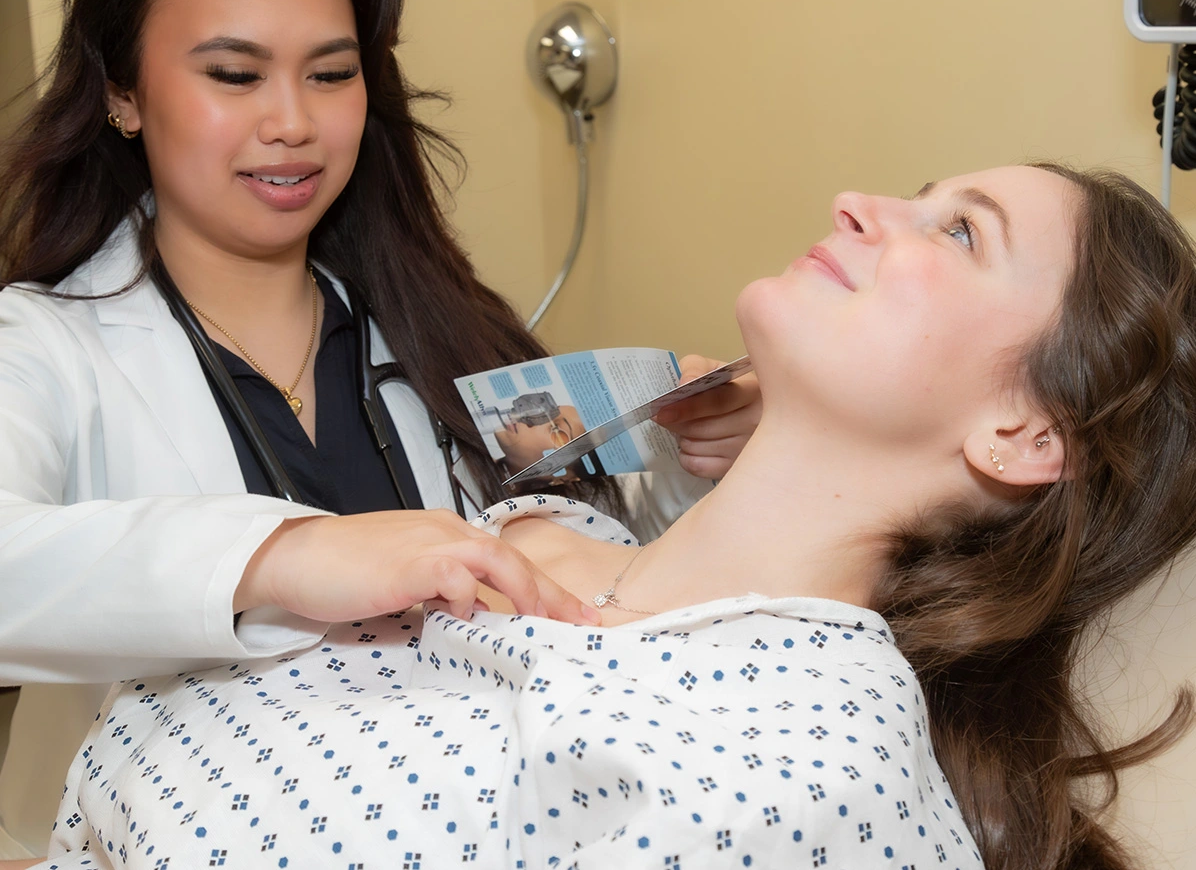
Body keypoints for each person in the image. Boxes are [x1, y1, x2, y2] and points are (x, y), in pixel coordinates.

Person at [35, 163, 1196, 870]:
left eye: (958, 231)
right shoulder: (541, 538)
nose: (860, 200)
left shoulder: (795, 764)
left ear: (1021, 437)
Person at [0, 0, 761, 858]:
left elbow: (594, 555)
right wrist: (282, 556)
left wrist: (692, 463)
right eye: (234, 75)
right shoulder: (44, 345)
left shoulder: (439, 333)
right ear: (122, 96)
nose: (293, 123)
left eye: (330, 72)